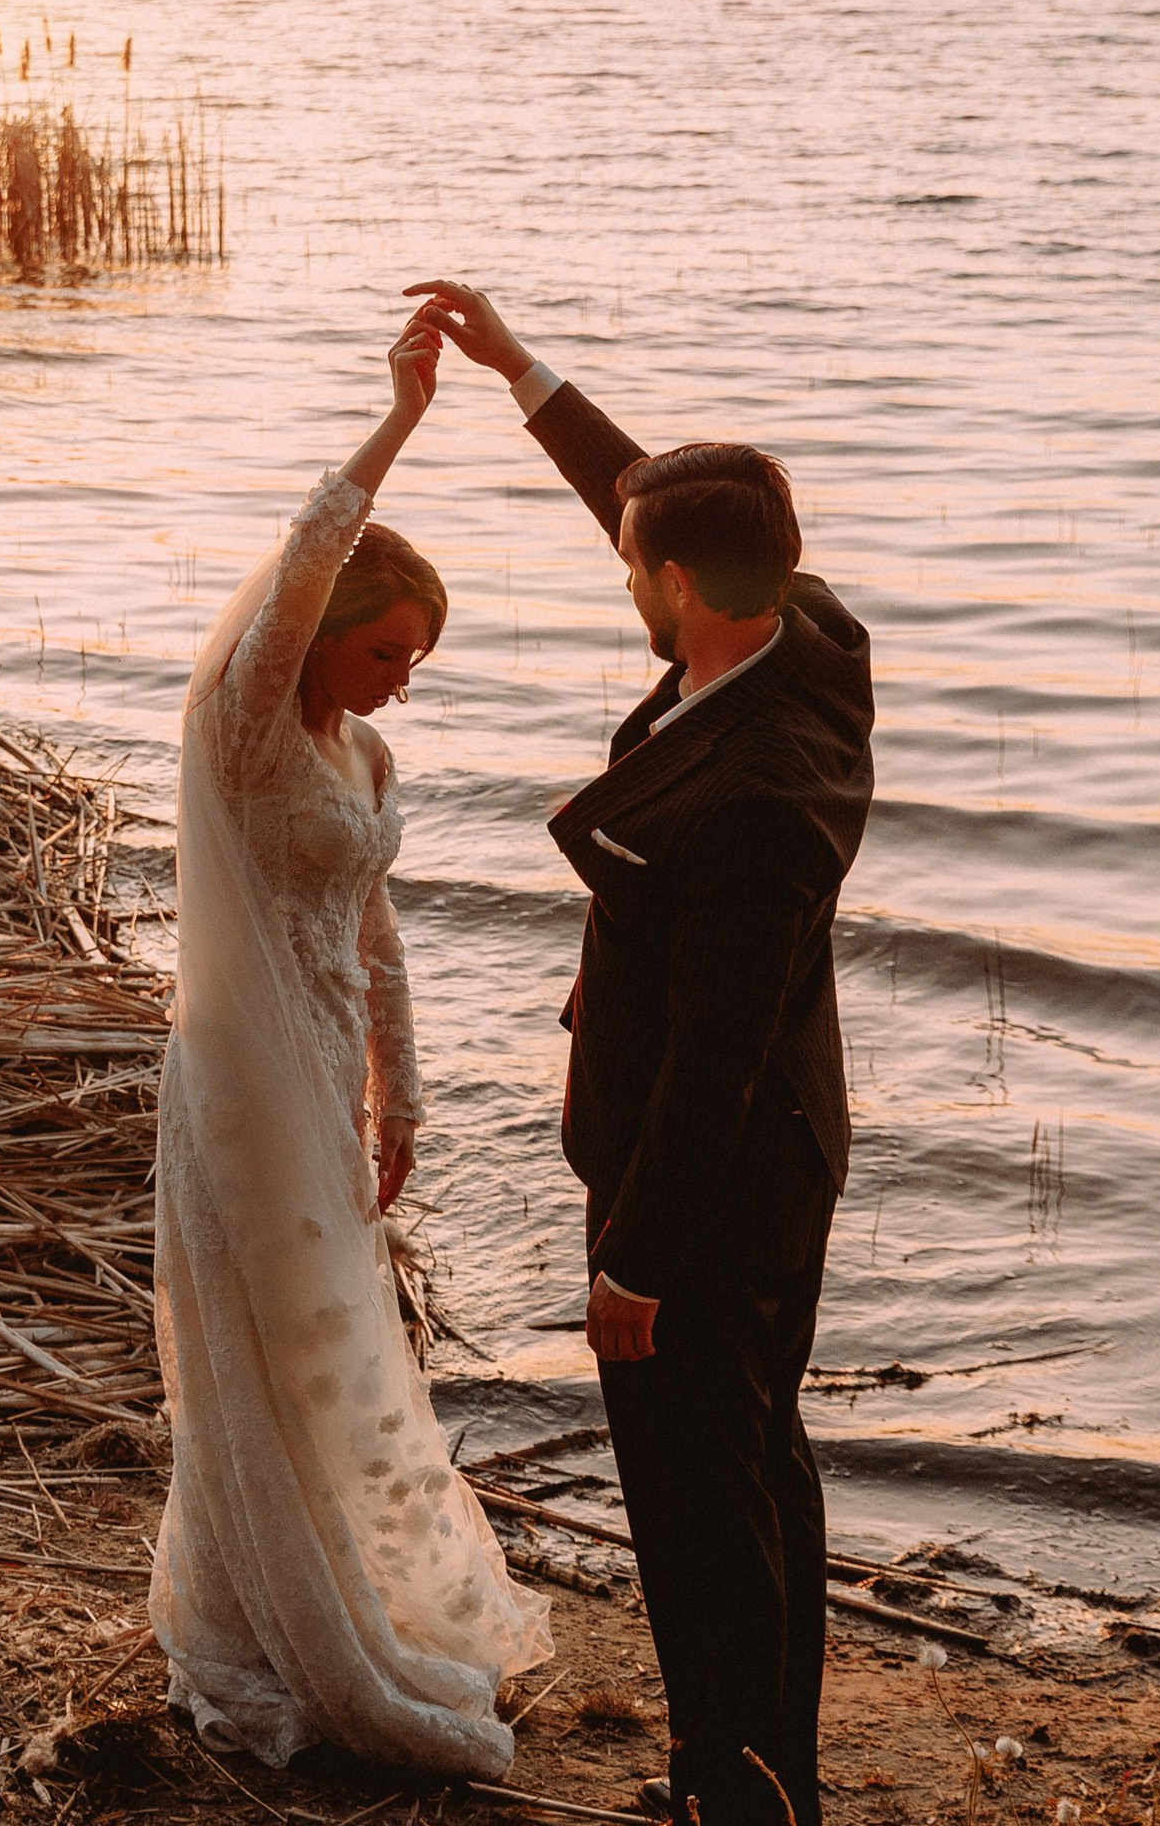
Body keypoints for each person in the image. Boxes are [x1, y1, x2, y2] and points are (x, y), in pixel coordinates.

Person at [408, 279, 875, 1826]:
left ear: (679, 584)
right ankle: (769, 1779)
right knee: (759, 1467)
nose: (617, 566)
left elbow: (715, 1061)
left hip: (717, 1181)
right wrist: (518, 373)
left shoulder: (763, 794)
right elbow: (639, 493)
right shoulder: (808, 632)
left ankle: (728, 1792)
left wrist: (639, 1262)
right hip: (781, 1150)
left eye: (631, 561)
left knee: (693, 1503)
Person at [150, 308, 551, 1778]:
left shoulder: (363, 752)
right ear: (318, 633)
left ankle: (354, 1576)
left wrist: (404, 1103)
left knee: (335, 1339)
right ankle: (278, 1623)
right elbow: (315, 546)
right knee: (261, 1339)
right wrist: (405, 418)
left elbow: (377, 941)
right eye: (386, 650)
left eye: (422, 658)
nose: (402, 678)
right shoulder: (250, 723)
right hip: (237, 1085)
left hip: (325, 1074)